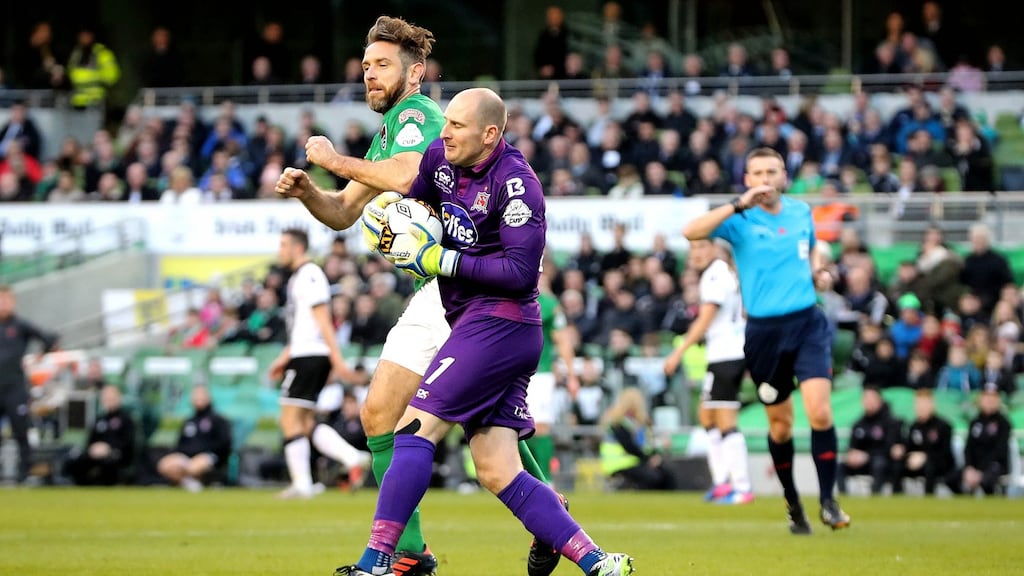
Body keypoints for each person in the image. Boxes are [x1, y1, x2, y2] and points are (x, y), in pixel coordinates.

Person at [274, 16, 557, 576]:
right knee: (392, 415)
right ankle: (414, 551)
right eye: (365, 68)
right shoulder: (384, 136)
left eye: (381, 65)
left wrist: (329, 159)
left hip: (460, 284)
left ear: (414, 73)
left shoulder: (417, 116)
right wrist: (311, 191)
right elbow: (341, 212)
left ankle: (530, 521)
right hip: (436, 290)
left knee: (459, 428)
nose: (370, 76)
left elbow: (406, 174)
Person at [341, 87, 633, 576]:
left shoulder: (518, 184)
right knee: (497, 468)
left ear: (491, 133)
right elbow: (415, 199)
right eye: (446, 121)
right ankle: (598, 562)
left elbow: (521, 273)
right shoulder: (440, 158)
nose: (445, 131)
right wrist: (392, 223)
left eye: (456, 124)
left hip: (500, 322)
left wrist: (439, 259)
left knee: (415, 428)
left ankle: (378, 562)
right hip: (474, 321)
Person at [683, 147, 851, 534]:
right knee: (780, 426)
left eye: (771, 171)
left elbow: (809, 259)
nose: (764, 179)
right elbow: (691, 231)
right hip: (763, 334)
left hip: (807, 323)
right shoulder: (738, 219)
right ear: (747, 180)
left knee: (820, 412)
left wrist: (819, 275)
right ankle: (794, 505)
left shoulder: (800, 212)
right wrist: (737, 205)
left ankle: (828, 500)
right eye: (756, 172)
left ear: (783, 176)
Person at [267, 228, 366, 499]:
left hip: (310, 356)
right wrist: (284, 356)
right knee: (305, 422)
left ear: (298, 248)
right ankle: (352, 457)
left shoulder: (310, 274)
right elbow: (302, 325)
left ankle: (302, 485)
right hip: (303, 352)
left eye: (284, 244)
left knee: (289, 420)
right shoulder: (300, 276)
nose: (280, 250)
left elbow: (323, 319)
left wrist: (338, 361)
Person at [663, 238, 752, 504]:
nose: (696, 253)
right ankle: (723, 481)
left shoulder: (716, 273)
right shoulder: (720, 274)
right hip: (723, 354)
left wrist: (678, 352)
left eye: (702, 247)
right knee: (708, 416)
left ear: (716, 249)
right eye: (693, 248)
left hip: (727, 354)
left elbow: (706, 318)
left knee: (725, 420)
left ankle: (742, 487)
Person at [0, 284, 59, 483]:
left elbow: (50, 338)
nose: (4, 304)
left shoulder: (19, 325)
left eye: (7, 299)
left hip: (14, 388)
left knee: (20, 430)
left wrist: (40, 356)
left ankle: (23, 473)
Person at [526, 270, 580, 484]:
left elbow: (563, 341)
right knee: (513, 427)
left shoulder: (548, 305)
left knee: (540, 426)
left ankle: (545, 479)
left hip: (540, 374)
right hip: (510, 372)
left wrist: (572, 375)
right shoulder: (507, 297)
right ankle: (523, 478)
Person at [155, 385, 232, 492]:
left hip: (208, 456)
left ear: (208, 397)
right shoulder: (189, 421)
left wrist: (207, 452)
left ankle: (193, 481)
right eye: (195, 396)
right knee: (164, 465)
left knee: (194, 466)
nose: (198, 399)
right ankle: (189, 482)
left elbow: (224, 443)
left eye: (201, 396)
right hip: (187, 457)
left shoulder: (218, 420)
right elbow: (180, 443)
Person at [599, 386, 675, 491]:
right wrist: (648, 459)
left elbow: (645, 445)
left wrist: (653, 456)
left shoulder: (636, 424)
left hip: (635, 462)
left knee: (666, 475)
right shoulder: (618, 424)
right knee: (653, 478)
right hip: (620, 465)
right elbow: (630, 446)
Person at [836, 387, 905, 495]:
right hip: (862, 463)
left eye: (871, 398)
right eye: (866, 398)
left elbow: (890, 449)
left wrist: (867, 455)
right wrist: (852, 454)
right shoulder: (858, 424)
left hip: (883, 462)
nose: (868, 401)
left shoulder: (891, 422)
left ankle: (875, 495)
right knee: (839, 466)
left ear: (879, 400)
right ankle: (844, 496)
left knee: (879, 463)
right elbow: (852, 446)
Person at [65, 385, 136, 486]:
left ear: (119, 398)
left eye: (112, 398)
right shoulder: (100, 420)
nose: (109, 401)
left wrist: (109, 448)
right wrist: (94, 448)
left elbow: (128, 442)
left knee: (109, 464)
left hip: (117, 456)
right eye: (106, 398)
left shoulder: (126, 420)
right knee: (76, 461)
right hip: (96, 454)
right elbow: (90, 440)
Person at [952, 382, 1012, 495]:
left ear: (998, 400)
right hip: (974, 467)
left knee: (987, 480)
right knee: (951, 478)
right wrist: (969, 467)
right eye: (987, 396)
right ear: (980, 399)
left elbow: (999, 451)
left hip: (995, 465)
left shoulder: (1004, 423)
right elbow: (968, 448)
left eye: (993, 396)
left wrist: (980, 471)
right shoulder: (975, 422)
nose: (990, 400)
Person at [901, 388, 955, 495]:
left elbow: (945, 453)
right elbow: (909, 448)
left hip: (940, 464)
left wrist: (925, 457)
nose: (922, 407)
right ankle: (896, 495)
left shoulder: (943, 426)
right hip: (917, 463)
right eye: (919, 404)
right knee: (896, 464)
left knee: (930, 465)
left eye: (925, 404)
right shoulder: (914, 426)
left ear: (932, 405)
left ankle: (929, 496)